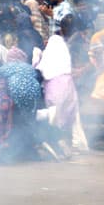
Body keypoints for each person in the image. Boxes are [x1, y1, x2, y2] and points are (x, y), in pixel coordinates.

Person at [35, 15, 79, 158]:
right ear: (64, 28)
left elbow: (44, 65)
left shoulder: (58, 42)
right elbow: (48, 65)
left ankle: (61, 146)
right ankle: (61, 146)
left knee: (58, 116)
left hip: (59, 83)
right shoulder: (56, 42)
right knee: (60, 116)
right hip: (62, 83)